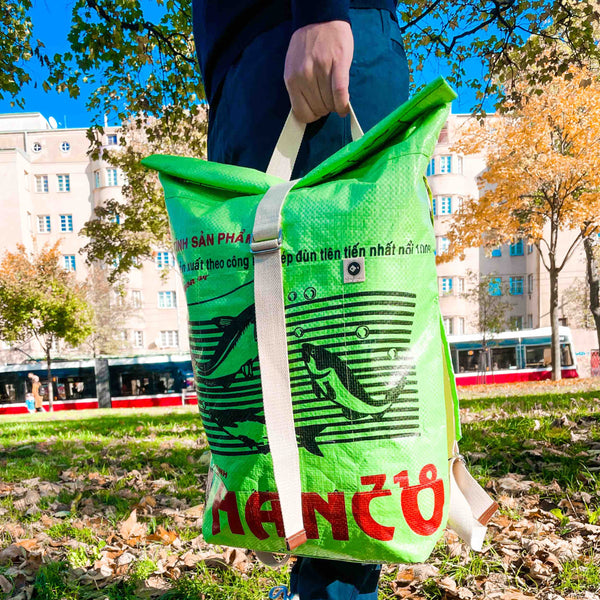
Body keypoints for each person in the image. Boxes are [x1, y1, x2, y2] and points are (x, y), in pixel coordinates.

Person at [191, 2, 409, 598]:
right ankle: (328, 582)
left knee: (336, 339)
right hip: (249, 69)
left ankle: (338, 586)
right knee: (283, 336)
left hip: (304, 37)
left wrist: (320, 6)